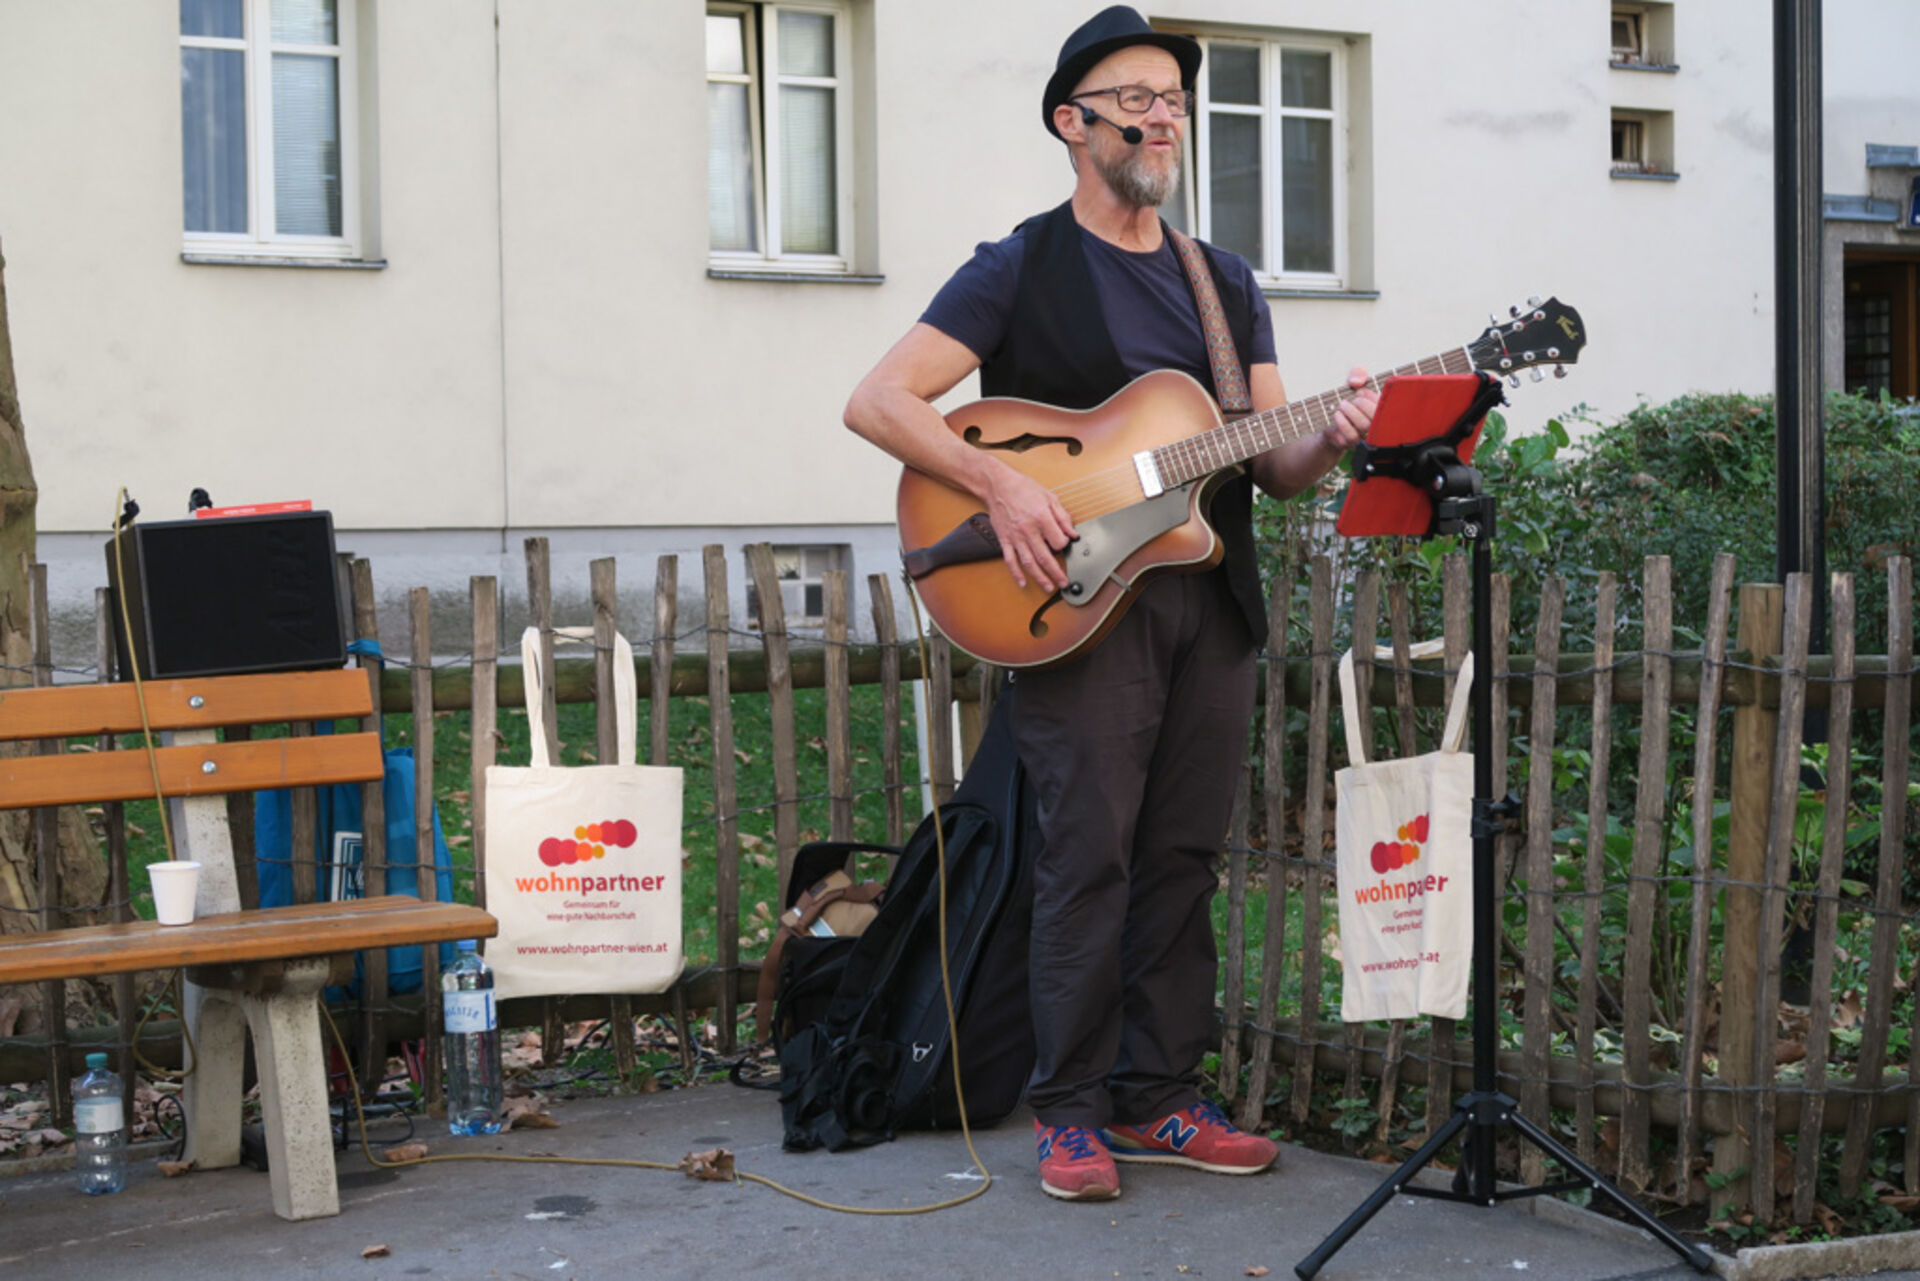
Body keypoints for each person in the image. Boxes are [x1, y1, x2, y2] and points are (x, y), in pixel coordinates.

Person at [843, 4, 1377, 1203]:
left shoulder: (1222, 282)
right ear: (1070, 122)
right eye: (1133, 97)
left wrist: (1333, 437)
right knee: (1088, 858)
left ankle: (1159, 1098)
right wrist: (1002, 489)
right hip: (1074, 605)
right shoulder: (1019, 266)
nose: (1160, 115)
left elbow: (1272, 462)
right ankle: (1069, 1111)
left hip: (1210, 601)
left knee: (1182, 856)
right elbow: (882, 401)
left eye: (1174, 99)